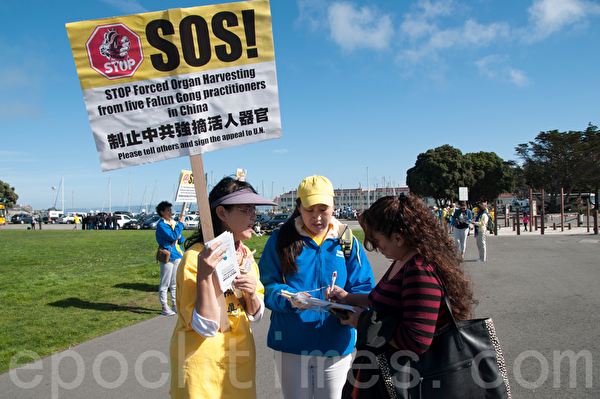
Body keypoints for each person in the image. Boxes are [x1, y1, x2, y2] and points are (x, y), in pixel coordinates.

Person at [326, 194, 474, 398]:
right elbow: (381, 299)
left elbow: (416, 340)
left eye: (378, 241)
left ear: (398, 237)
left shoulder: (420, 270)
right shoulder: (403, 260)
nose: (377, 248)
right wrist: (347, 297)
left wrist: (361, 321)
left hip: (406, 379)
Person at [259, 175, 375, 399]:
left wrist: (347, 299)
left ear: (334, 206)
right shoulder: (279, 240)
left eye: (323, 209)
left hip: (336, 343)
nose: (317, 217)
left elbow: (363, 286)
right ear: (299, 207)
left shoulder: (347, 240)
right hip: (291, 345)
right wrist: (290, 298)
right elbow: (267, 286)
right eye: (310, 209)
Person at [170, 177, 277, 398]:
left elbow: (256, 315)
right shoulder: (196, 258)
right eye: (245, 210)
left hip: (240, 364)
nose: (254, 216)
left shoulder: (246, 254)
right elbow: (205, 326)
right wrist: (205, 276)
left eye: (254, 210)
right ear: (222, 213)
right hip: (202, 370)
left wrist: (250, 294)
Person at [155, 201, 185, 316]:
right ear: (162, 212)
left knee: (174, 283)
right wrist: (180, 225)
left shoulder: (172, 223)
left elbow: (180, 239)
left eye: (171, 210)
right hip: (167, 256)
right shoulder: (162, 225)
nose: (171, 212)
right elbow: (172, 236)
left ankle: (175, 304)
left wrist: (179, 233)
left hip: (177, 255)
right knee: (165, 283)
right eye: (168, 210)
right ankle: (164, 306)